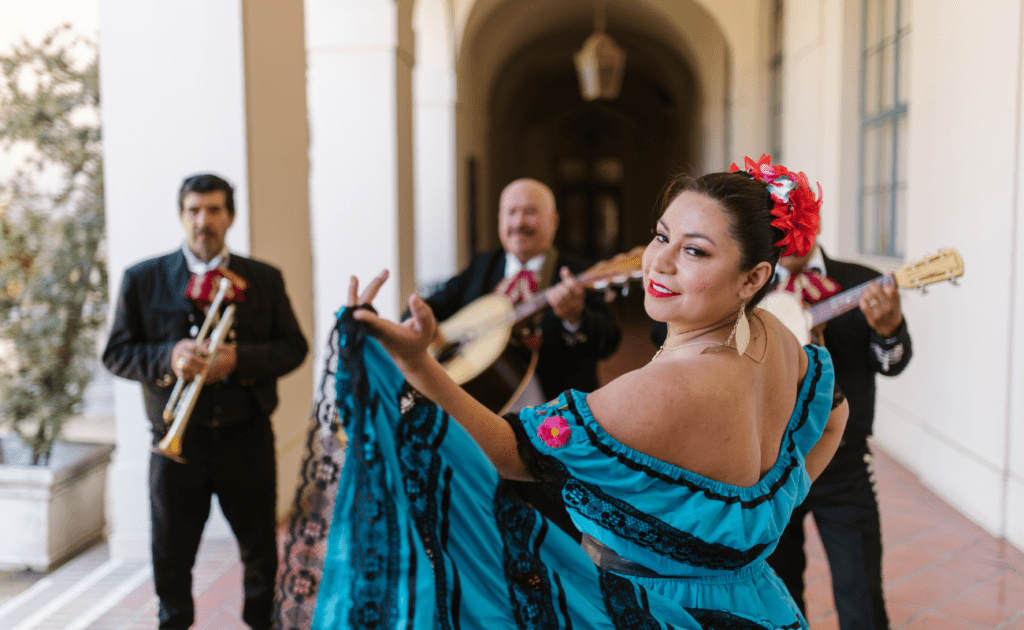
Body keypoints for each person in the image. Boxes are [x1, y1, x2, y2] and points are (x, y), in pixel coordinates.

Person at [309, 155, 849, 629]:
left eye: (696, 252)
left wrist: (416, 362)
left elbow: (507, 450)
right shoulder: (777, 338)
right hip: (757, 602)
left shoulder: (659, 391)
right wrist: (774, 505)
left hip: (661, 611)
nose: (658, 262)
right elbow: (833, 416)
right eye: (661, 236)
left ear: (752, 278)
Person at [103, 173, 308, 630]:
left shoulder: (264, 278)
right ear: (182, 215)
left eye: (214, 210)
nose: (203, 221)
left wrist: (238, 359)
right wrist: (168, 356)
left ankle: (260, 622)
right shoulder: (143, 279)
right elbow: (115, 353)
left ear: (230, 216)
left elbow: (294, 347)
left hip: (246, 438)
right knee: (170, 556)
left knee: (259, 552)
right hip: (176, 446)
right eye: (194, 210)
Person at [419, 177, 621, 539]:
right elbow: (438, 307)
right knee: (484, 529)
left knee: (559, 532)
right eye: (511, 212)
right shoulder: (484, 265)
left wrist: (574, 318)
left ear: (553, 221)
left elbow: (608, 340)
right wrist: (420, 321)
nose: (519, 222)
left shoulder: (578, 273)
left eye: (531, 212)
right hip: (482, 418)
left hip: (556, 427)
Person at [765, 243, 911, 630]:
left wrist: (888, 331)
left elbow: (891, 363)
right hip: (769, 465)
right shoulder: (747, 282)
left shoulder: (860, 283)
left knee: (860, 589)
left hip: (843, 463)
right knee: (776, 592)